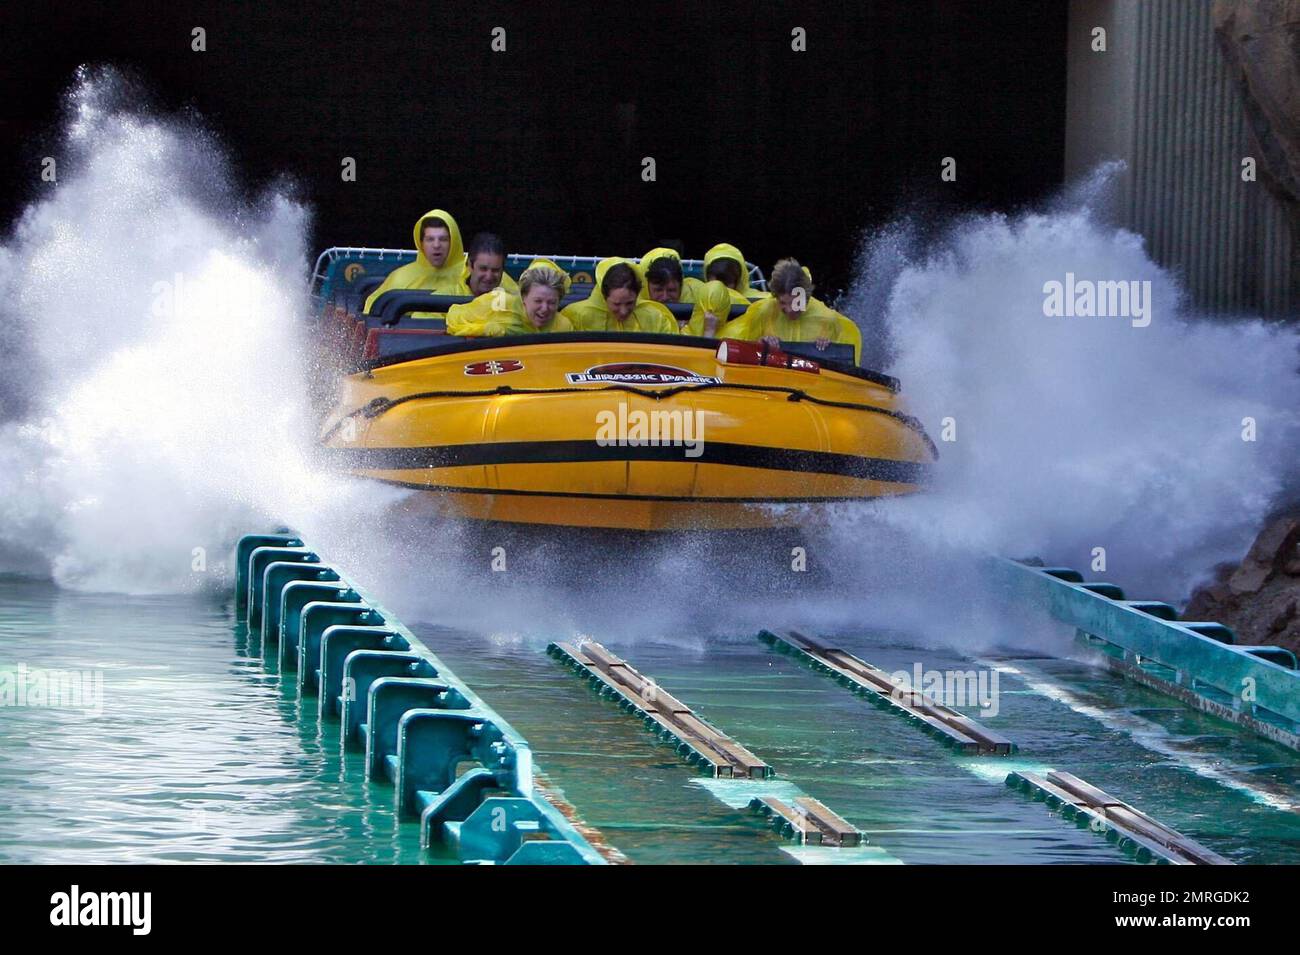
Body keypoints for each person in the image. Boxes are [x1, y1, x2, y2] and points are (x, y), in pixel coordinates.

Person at [721, 258, 862, 363]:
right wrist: (759, 343)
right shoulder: (763, 312)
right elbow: (736, 348)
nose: (789, 310)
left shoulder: (828, 319)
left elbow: (846, 363)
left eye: (795, 303)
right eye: (783, 303)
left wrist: (830, 349)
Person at [363, 208, 466, 313]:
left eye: (443, 239)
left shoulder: (471, 275)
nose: (436, 245)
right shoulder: (400, 277)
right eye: (430, 239)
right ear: (421, 243)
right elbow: (372, 314)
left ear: (454, 242)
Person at [446, 260, 573, 336]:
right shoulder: (497, 304)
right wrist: (484, 329)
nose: (545, 308)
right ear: (523, 296)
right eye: (538, 301)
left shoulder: (564, 326)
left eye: (552, 302)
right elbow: (454, 316)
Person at [561, 258, 678, 334]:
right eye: (616, 304)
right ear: (603, 296)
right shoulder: (575, 316)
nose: (623, 311)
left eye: (629, 303)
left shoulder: (657, 317)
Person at [460, 232, 519, 296]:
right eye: (483, 269)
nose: (489, 277)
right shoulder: (452, 291)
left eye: (495, 270)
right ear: (470, 265)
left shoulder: (513, 295)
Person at [638, 247, 703, 303]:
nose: (665, 297)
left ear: (681, 286)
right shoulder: (631, 302)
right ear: (645, 286)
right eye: (658, 290)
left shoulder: (700, 297)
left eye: (671, 290)